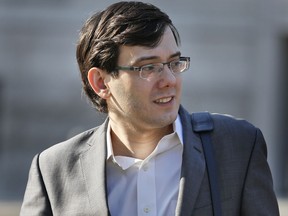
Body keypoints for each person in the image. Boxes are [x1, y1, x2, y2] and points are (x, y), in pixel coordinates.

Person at [20, 1, 279, 216]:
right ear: (101, 82)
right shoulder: (53, 170)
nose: (169, 80)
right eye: (149, 67)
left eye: (174, 63)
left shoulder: (237, 146)